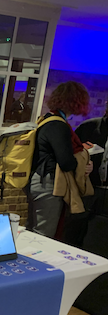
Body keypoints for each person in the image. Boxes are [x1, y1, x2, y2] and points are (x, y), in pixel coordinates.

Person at [26, 81, 93, 238]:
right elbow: (66, 161)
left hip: (38, 180)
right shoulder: (59, 125)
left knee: (33, 230)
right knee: (43, 235)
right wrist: (83, 159)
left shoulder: (46, 119)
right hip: (48, 184)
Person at [62, 101, 108, 247]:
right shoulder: (89, 127)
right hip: (87, 187)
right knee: (74, 230)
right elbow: (69, 154)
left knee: (100, 239)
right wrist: (81, 165)